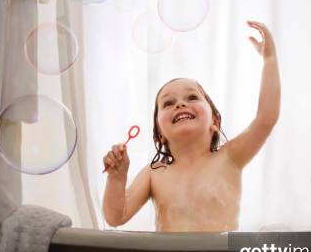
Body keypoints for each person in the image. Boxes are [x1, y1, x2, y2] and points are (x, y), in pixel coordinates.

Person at [102, 20, 280, 232]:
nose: (180, 103)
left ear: (214, 122)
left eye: (192, 97)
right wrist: (116, 178)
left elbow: (265, 119)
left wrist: (269, 60)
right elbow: (116, 217)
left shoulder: (229, 157)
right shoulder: (154, 172)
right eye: (168, 103)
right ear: (159, 134)